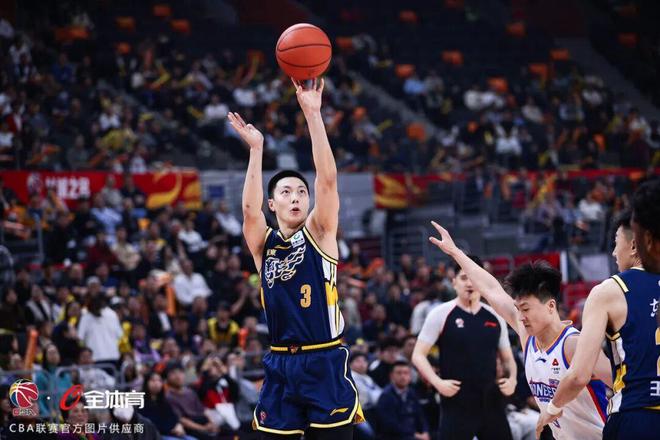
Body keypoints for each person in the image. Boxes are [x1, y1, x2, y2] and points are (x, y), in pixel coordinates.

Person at [230, 77, 363, 439]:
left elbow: (328, 180)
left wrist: (313, 115)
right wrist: (256, 149)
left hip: (324, 359)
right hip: (280, 363)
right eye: (286, 192)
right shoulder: (264, 244)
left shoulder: (320, 232)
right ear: (273, 204)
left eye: (301, 192)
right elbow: (249, 211)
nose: (296, 197)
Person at [426, 221, 612, 440]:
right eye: (518, 309)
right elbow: (491, 289)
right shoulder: (527, 336)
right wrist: (455, 252)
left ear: (550, 306)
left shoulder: (573, 344)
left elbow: (622, 383)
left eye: (526, 309)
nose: (521, 317)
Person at [537, 179, 660, 439]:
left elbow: (579, 375)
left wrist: (552, 409)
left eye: (616, 242)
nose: (614, 253)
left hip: (635, 416)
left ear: (634, 245)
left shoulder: (609, 291)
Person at [412, 252, 518, 440]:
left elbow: (508, 358)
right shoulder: (440, 314)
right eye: (463, 278)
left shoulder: (495, 315)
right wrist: (437, 382)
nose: (469, 283)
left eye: (474, 278)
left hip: (491, 400)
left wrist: (513, 380)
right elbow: (418, 355)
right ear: (454, 282)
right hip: (456, 401)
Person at [374, 360, 430, 440]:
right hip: (395, 436)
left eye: (406, 373)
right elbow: (390, 425)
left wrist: (425, 431)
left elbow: (420, 416)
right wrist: (414, 435)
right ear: (391, 376)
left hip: (414, 434)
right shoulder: (386, 396)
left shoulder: (412, 393)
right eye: (399, 373)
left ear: (410, 376)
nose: (403, 376)